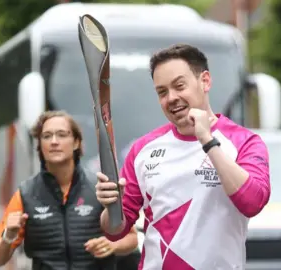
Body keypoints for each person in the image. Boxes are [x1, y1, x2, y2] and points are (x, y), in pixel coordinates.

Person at [95, 44, 271, 269]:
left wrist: (208, 141)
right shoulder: (143, 149)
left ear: (205, 81)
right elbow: (115, 232)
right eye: (162, 92)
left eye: (179, 86)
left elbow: (253, 203)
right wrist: (110, 206)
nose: (172, 98)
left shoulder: (245, 142)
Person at [0, 110, 138, 270]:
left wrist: (112, 246)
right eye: (46, 136)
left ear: (76, 142)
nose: (54, 141)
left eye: (62, 134)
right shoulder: (26, 194)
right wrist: (8, 237)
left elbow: (132, 238)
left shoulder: (99, 187)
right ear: (39, 145)